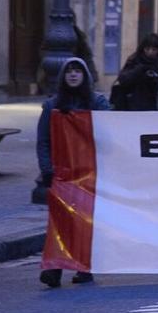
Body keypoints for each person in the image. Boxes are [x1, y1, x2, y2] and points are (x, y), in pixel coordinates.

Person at [38, 58, 110, 288]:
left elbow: (110, 131)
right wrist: (46, 169)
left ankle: (83, 268)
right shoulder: (52, 106)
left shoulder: (97, 102)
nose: (73, 75)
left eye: (77, 70)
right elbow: (43, 140)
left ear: (85, 75)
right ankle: (55, 268)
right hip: (62, 172)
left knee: (84, 223)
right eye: (69, 71)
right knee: (59, 222)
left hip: (89, 173)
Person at [111, 33, 158, 111]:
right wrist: (139, 70)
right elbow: (123, 80)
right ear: (143, 48)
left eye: (154, 49)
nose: (150, 52)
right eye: (147, 49)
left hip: (152, 106)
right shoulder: (134, 61)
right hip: (131, 105)